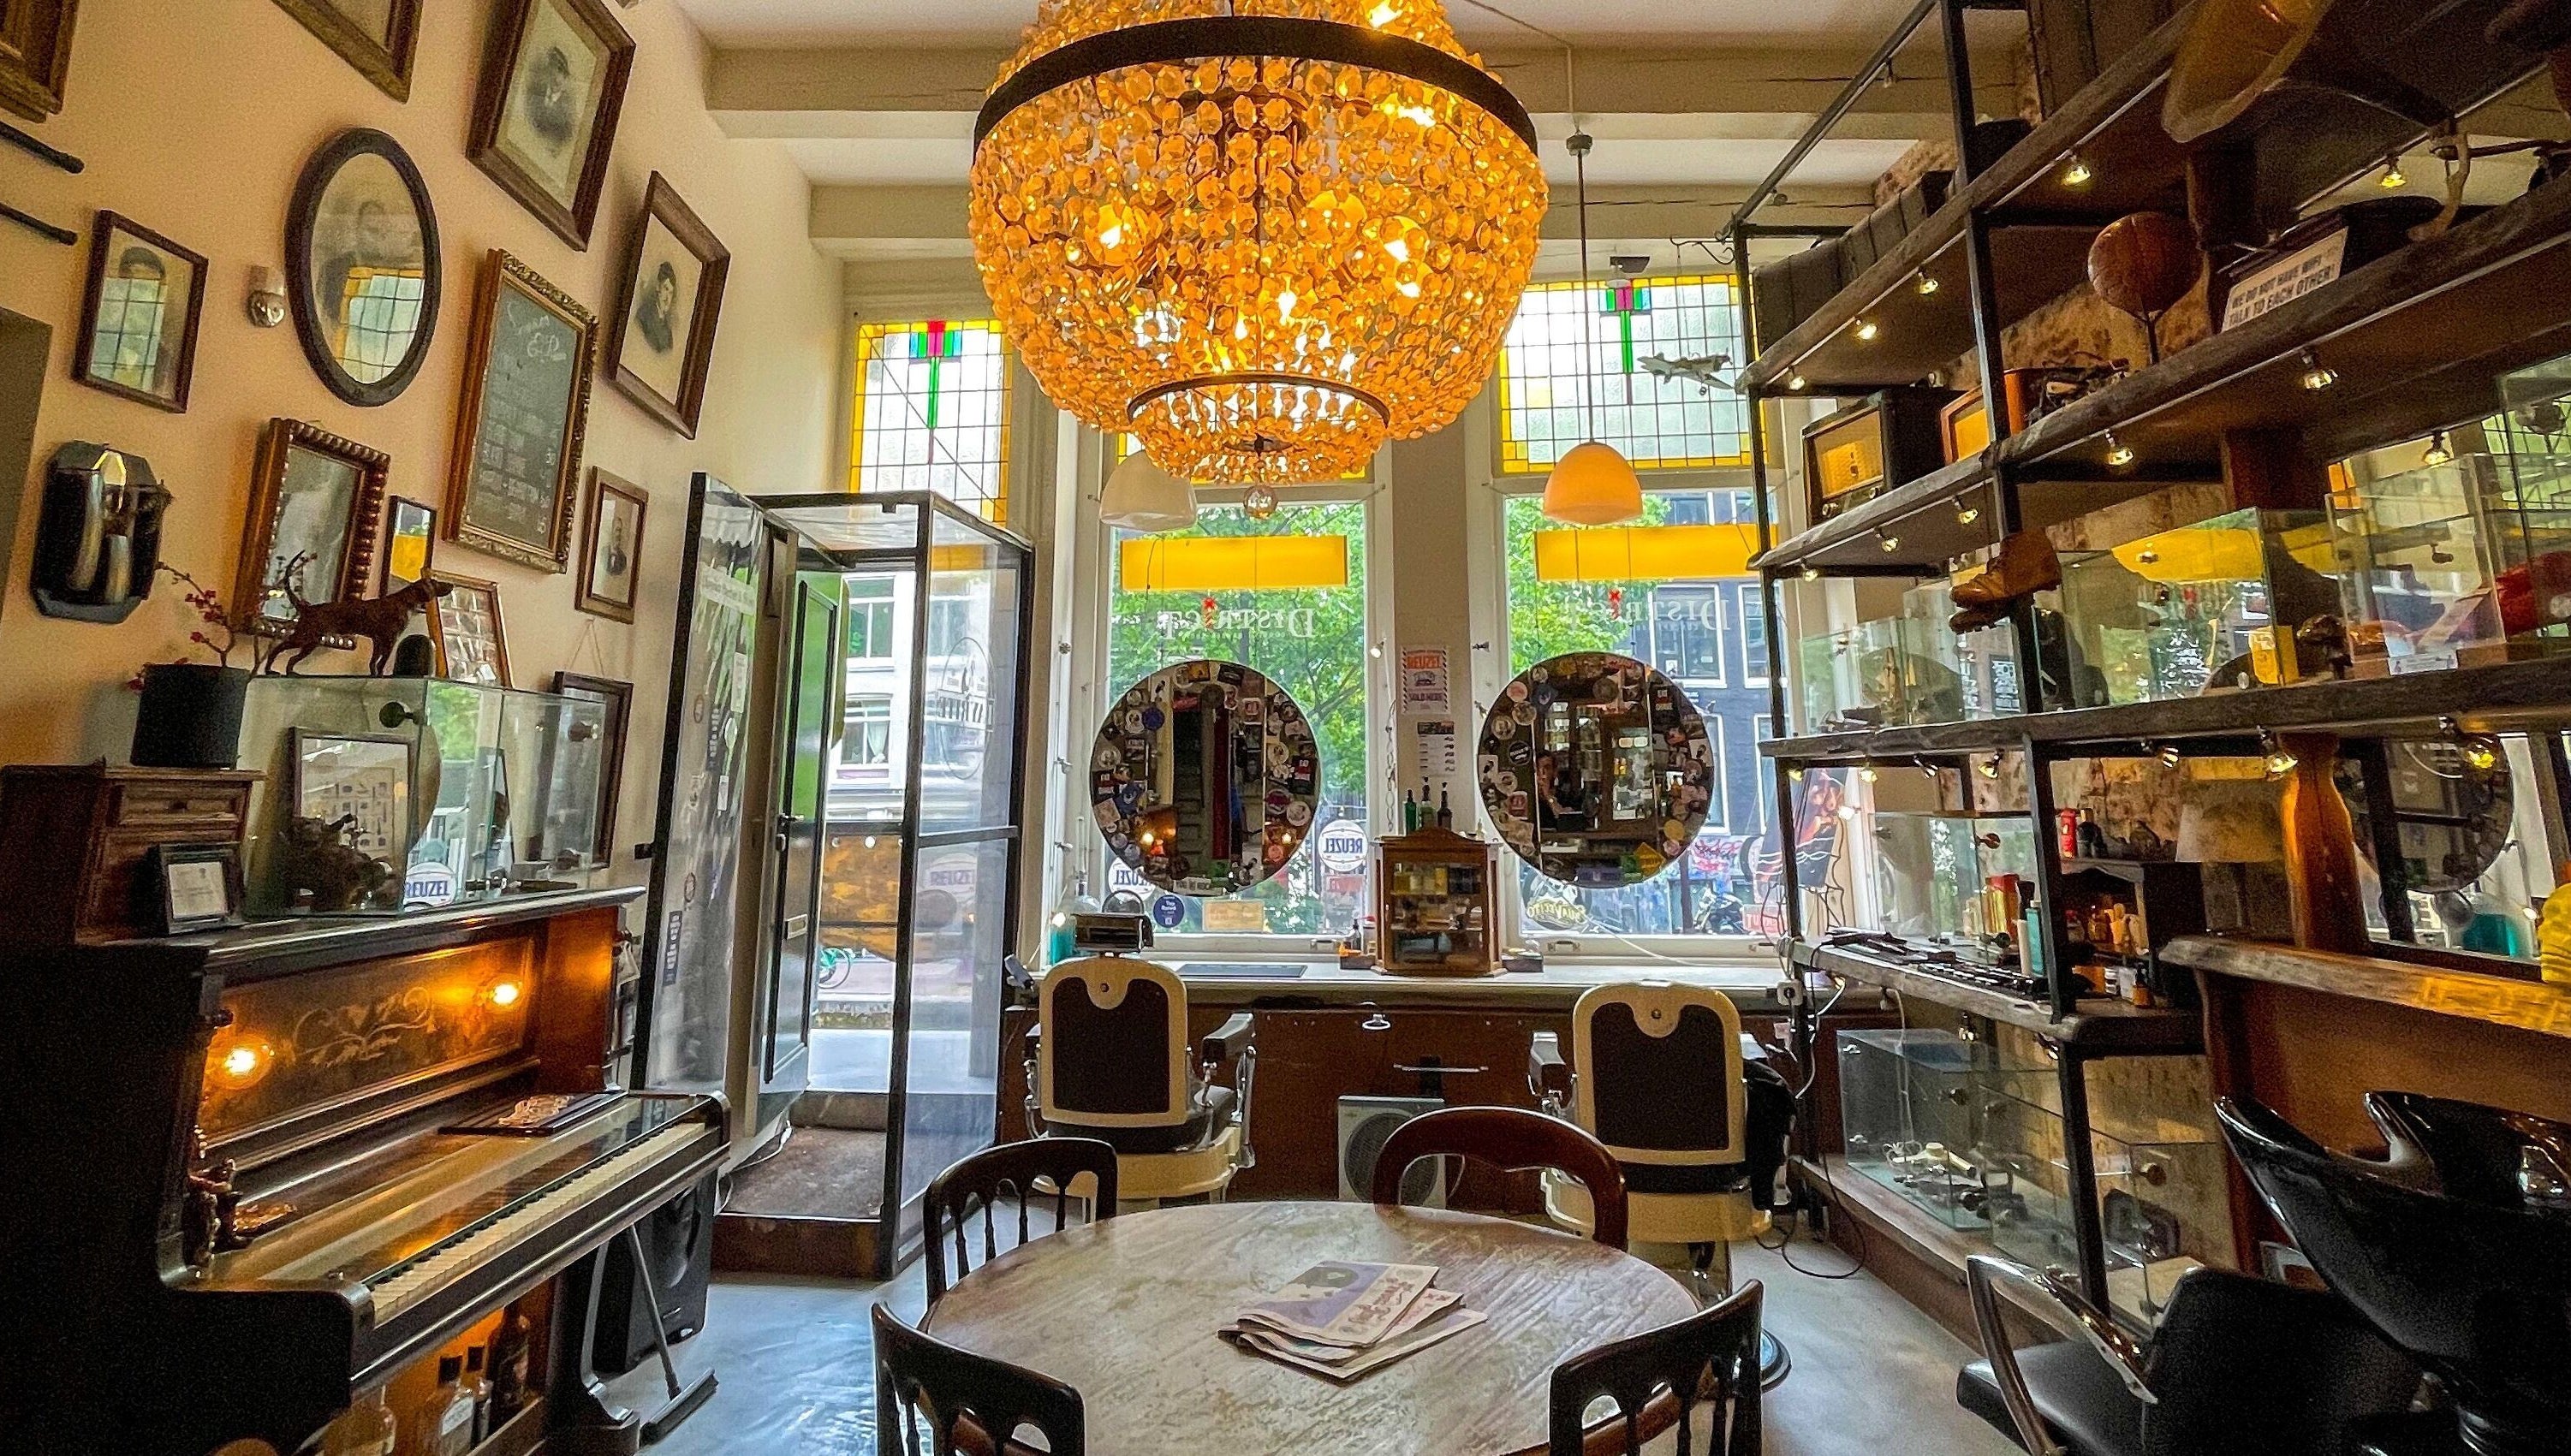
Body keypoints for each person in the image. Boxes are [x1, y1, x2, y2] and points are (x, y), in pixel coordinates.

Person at [633, 259, 680, 354]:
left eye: (670, 293)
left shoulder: (668, 330)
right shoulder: (643, 315)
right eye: (665, 289)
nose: (667, 298)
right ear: (658, 287)